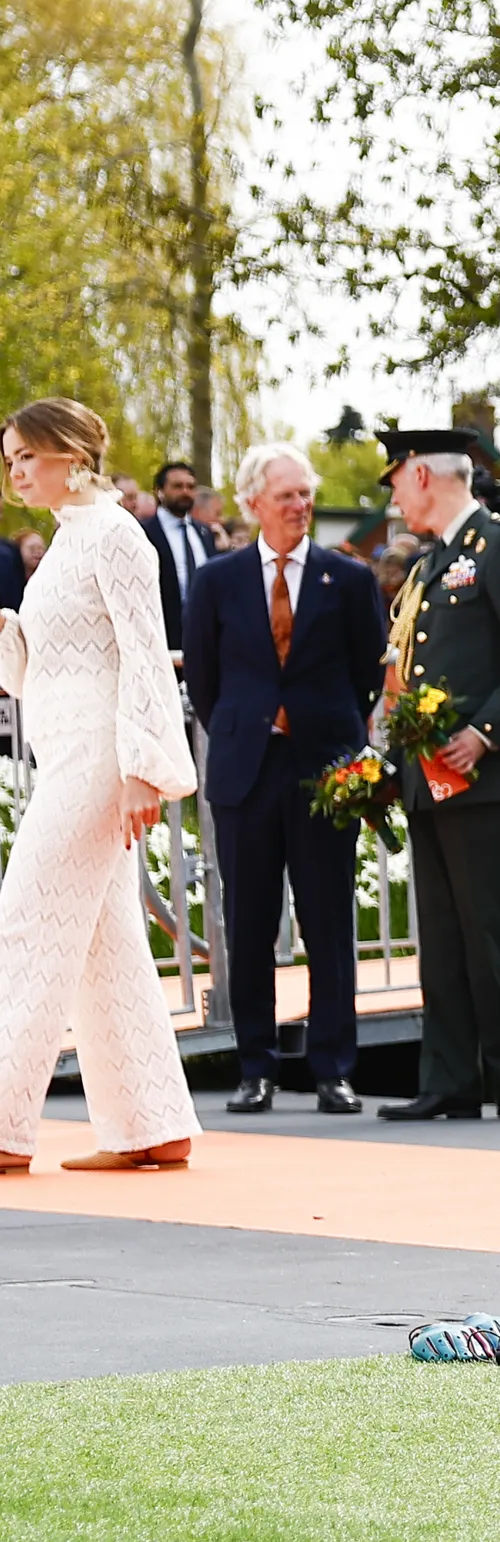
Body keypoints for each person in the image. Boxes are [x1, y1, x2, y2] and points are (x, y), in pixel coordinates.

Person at [0, 400, 207, 1175]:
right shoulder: (67, 540)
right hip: (68, 756)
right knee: (105, 944)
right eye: (10, 459)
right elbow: (47, 670)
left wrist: (143, 769)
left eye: (25, 456)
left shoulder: (117, 534)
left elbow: (145, 656)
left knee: (22, 924)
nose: (14, 470)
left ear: (66, 452)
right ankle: (152, 1127)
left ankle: (5, 1127)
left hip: (98, 762)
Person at [369, 430, 500, 1124]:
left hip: (485, 778)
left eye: (396, 480)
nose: (393, 495)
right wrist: (390, 764)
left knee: (488, 932)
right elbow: (408, 675)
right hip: (431, 776)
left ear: (423, 474)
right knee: (445, 936)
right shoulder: (432, 565)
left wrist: (484, 733)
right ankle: (449, 1079)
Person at [190, 442, 385, 1117]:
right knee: (248, 925)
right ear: (253, 503)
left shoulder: (349, 579)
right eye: (287, 496)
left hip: (324, 770)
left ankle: (333, 1068)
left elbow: (368, 674)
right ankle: (255, 1068)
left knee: (328, 920)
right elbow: (207, 683)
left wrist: (327, 732)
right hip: (247, 771)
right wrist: (253, 728)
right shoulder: (216, 581)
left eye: (305, 493)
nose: (300, 506)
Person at [136, 455, 219, 665]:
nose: (185, 492)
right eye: (177, 486)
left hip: (203, 637)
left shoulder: (204, 533)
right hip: (160, 638)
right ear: (159, 491)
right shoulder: (143, 532)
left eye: (190, 487)